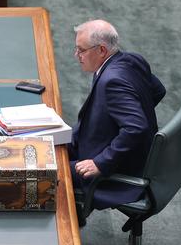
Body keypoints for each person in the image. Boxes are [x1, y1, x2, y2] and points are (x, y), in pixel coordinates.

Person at [68, 20, 166, 211]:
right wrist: (116, 123)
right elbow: (158, 90)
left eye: (81, 50)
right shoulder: (133, 59)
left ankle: (70, 226)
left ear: (102, 50)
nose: (76, 55)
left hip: (121, 170)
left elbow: (136, 127)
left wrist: (101, 162)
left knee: (52, 171)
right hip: (119, 148)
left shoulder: (112, 81)